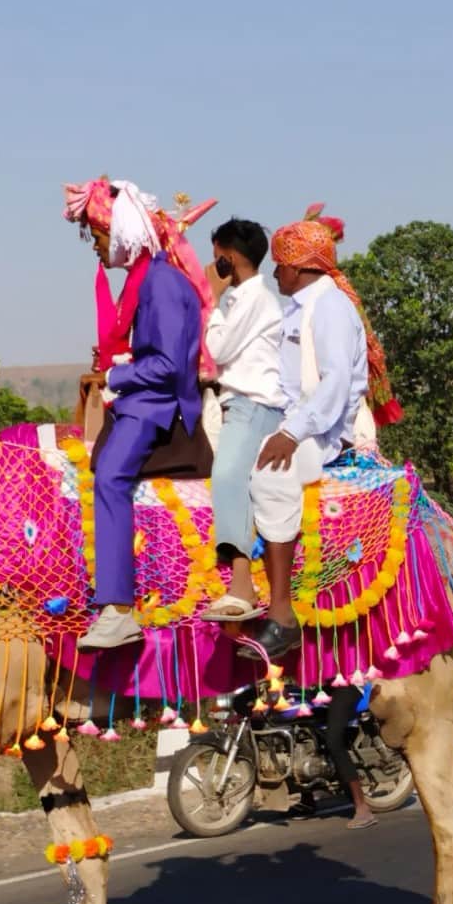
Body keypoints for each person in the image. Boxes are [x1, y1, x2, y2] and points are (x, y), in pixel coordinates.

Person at [63, 178, 208, 650]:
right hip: (139, 400)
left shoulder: (161, 282)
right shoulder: (143, 279)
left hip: (156, 407)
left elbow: (167, 365)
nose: (96, 247)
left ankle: (117, 608)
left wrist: (116, 376)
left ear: (120, 231)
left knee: (110, 477)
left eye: (98, 236)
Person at [244, 206, 385, 658]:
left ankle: (282, 615)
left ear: (300, 267)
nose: (275, 274)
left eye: (280, 265)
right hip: (295, 419)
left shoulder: (330, 308)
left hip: (325, 429)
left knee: (271, 476)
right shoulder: (301, 307)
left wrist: (291, 434)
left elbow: (335, 384)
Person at [198, 217, 287, 624]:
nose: (212, 265)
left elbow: (217, 349)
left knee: (228, 476)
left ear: (229, 258)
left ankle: (241, 584)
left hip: (252, 404)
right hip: (242, 404)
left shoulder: (254, 300)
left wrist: (212, 299)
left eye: (216, 257)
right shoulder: (247, 299)